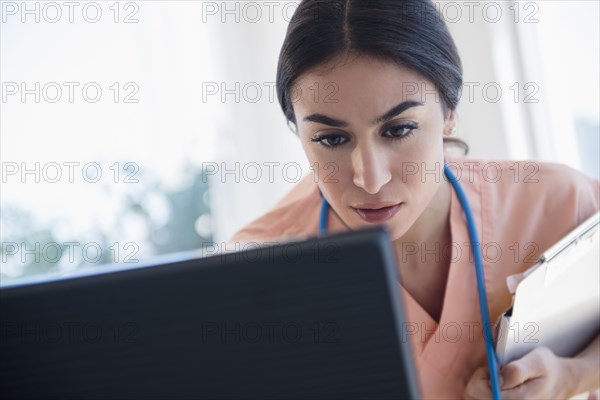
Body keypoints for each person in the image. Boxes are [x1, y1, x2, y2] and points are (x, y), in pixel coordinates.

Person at [227, 0, 600, 398]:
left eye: (399, 129)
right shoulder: (256, 267)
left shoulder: (559, 202)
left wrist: (573, 374)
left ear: (449, 111)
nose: (371, 178)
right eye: (331, 139)